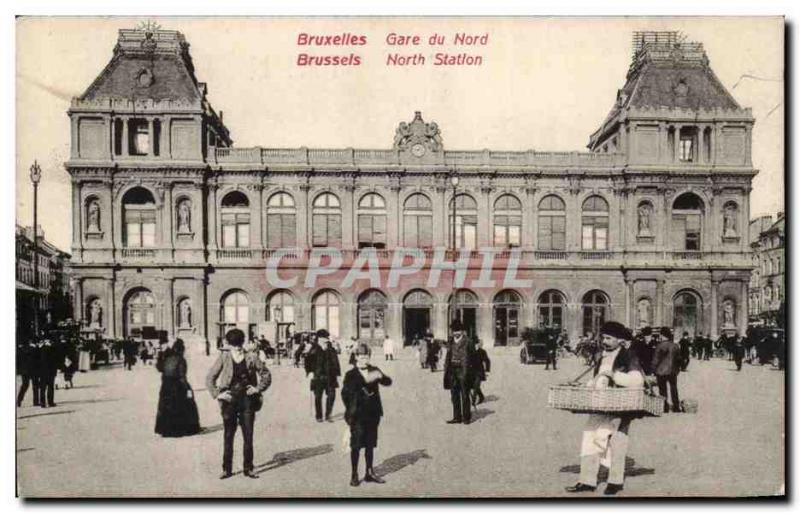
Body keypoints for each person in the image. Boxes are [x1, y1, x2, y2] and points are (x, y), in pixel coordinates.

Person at [566, 321, 644, 496]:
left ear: (619, 340)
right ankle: (587, 481)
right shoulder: (601, 356)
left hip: (620, 406)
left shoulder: (628, 355)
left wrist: (614, 375)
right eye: (603, 338)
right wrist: (588, 385)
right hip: (599, 404)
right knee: (589, 439)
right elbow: (597, 379)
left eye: (609, 338)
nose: (605, 341)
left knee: (617, 443)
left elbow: (637, 380)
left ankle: (615, 482)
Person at [206, 328, 272, 479]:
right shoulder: (224, 357)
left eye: (239, 344)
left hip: (247, 401)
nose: (237, 348)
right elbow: (210, 378)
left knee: (248, 435)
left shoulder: (252, 356)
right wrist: (218, 393)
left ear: (243, 342)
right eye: (234, 345)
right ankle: (226, 469)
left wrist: (257, 388)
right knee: (228, 435)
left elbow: (266, 374)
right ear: (229, 344)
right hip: (229, 401)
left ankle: (248, 468)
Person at [341, 343, 392, 487]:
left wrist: (381, 376)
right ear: (356, 357)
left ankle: (369, 472)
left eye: (366, 356)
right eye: (361, 357)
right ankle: (354, 474)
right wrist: (354, 404)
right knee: (356, 445)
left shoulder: (374, 370)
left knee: (370, 444)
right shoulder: (350, 375)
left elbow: (388, 382)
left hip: (373, 413)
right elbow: (344, 395)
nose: (364, 359)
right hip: (357, 415)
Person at [155, 339, 201, 437]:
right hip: (177, 386)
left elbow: (160, 368)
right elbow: (182, 376)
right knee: (185, 405)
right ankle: (182, 429)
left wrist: (159, 356)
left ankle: (166, 429)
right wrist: (188, 389)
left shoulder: (167, 357)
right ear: (181, 350)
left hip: (165, 386)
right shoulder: (181, 359)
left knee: (166, 407)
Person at [443, 319, 475, 425]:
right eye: (454, 331)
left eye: (458, 331)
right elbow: (448, 355)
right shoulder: (451, 341)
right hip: (452, 371)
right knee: (454, 395)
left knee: (465, 395)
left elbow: (474, 357)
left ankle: (466, 417)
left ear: (462, 331)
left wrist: (473, 372)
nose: (455, 333)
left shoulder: (468, 341)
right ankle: (457, 417)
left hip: (463, 371)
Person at [305, 330, 341, 422]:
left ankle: (328, 415)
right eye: (325, 338)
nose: (326, 340)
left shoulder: (331, 349)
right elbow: (307, 361)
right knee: (318, 397)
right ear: (319, 338)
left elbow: (336, 361)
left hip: (330, 377)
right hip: (318, 376)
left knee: (332, 396)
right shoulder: (313, 349)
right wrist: (309, 372)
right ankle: (319, 416)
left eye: (327, 338)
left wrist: (337, 373)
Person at [651, 327, 682, 413]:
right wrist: (678, 369)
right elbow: (679, 359)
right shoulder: (675, 346)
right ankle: (676, 407)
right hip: (673, 371)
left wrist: (653, 370)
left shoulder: (659, 346)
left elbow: (655, 360)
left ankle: (665, 407)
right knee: (674, 388)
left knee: (662, 389)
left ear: (662, 335)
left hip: (661, 371)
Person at [38, 337, 60, 408]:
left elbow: (37, 361)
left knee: (43, 388)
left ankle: (42, 403)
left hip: (42, 371)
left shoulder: (39, 349)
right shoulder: (53, 348)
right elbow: (56, 360)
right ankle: (50, 402)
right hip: (51, 371)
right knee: (50, 387)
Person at [16, 339, 38, 407]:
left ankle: (19, 400)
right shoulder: (35, 349)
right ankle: (36, 401)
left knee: (25, 385)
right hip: (33, 370)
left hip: (24, 370)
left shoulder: (21, 349)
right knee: (35, 385)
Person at [470, 339, 491, 405]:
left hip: (479, 371)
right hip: (471, 371)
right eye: (480, 343)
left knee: (476, 385)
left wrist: (487, 370)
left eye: (482, 344)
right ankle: (481, 396)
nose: (481, 345)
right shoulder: (470, 351)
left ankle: (473, 401)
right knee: (474, 386)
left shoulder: (483, 351)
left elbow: (487, 361)